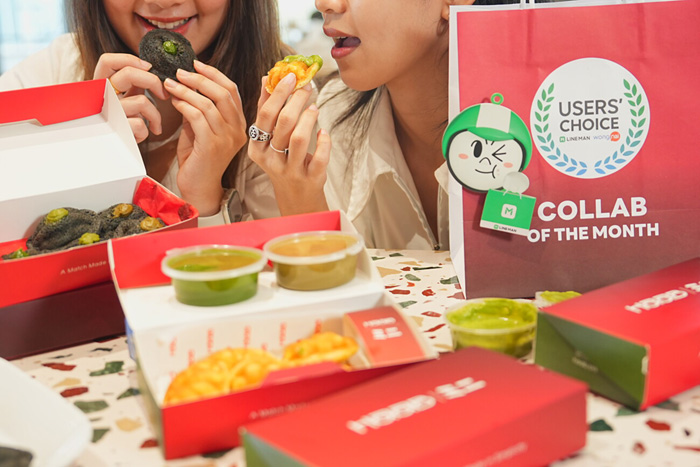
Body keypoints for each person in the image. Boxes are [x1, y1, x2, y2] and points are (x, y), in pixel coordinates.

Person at [248, 0, 535, 250]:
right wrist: (298, 197)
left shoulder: (538, 130)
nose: (324, 4)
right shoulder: (331, 115)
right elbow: (328, 285)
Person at [0, 0, 289, 224]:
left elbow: (275, 268)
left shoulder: (282, 99)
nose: (164, 2)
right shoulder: (51, 73)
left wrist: (205, 199)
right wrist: (77, 157)